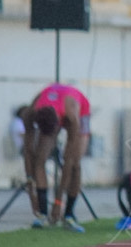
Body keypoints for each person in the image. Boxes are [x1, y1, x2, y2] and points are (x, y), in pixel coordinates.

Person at [21, 83, 92, 232]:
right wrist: (30, 190)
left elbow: (68, 162)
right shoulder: (30, 113)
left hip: (79, 109)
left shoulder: (72, 116)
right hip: (52, 112)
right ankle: (43, 214)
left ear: (58, 125)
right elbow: (28, 153)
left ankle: (69, 215)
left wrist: (58, 201)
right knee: (40, 159)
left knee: (75, 164)